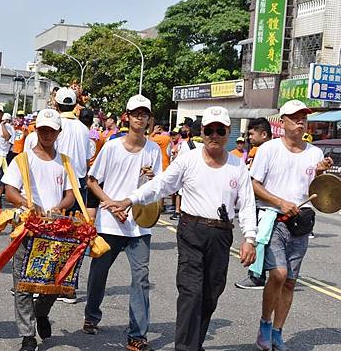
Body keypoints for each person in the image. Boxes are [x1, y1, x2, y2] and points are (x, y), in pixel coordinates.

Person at [103, 106, 257, 351]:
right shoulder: (188, 160)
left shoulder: (237, 166)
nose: (214, 135)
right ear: (202, 133)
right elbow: (160, 185)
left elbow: (247, 203)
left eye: (220, 130)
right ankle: (185, 348)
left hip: (220, 234)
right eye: (209, 130)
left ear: (228, 132)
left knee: (210, 294)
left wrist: (250, 238)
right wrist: (130, 199)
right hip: (191, 231)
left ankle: (194, 343)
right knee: (190, 292)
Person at [253, 100, 333, 351]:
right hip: (274, 219)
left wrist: (321, 174)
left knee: (290, 282)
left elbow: (318, 193)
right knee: (279, 274)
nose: (300, 121)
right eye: (295, 117)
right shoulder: (269, 149)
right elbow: (253, 184)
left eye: (304, 117)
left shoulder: (315, 153)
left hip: (301, 223)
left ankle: (277, 332)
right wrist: (280, 202)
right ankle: (265, 325)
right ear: (282, 121)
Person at [84, 95, 161, 351]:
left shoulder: (154, 150)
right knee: (98, 273)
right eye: (136, 113)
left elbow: (159, 188)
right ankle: (92, 314)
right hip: (110, 225)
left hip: (139, 226)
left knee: (141, 278)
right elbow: (92, 180)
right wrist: (112, 204)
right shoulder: (112, 147)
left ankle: (137, 334)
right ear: (127, 116)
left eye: (145, 113)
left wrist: (151, 181)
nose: (140, 117)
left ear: (150, 118)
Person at [1, 108, 76, 351]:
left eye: (51, 130)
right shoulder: (23, 159)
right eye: (42, 129)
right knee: (23, 284)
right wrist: (27, 204)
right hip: (28, 228)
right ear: (36, 130)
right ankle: (27, 335)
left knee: (55, 282)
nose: (46, 134)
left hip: (56, 231)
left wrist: (57, 208)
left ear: (58, 132)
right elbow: (10, 191)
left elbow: (71, 196)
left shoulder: (64, 161)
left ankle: (41, 313)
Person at [235, 118, 273, 291]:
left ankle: (256, 276)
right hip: (267, 204)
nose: (249, 137)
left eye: (252, 133)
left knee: (260, 239)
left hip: (267, 205)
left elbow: (254, 180)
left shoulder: (263, 150)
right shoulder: (264, 150)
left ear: (264, 134)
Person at [54, 87, 91, 202]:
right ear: (75, 104)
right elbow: (87, 160)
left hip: (58, 179)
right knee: (77, 218)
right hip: (78, 180)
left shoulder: (54, 125)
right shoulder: (84, 128)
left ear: (56, 104)